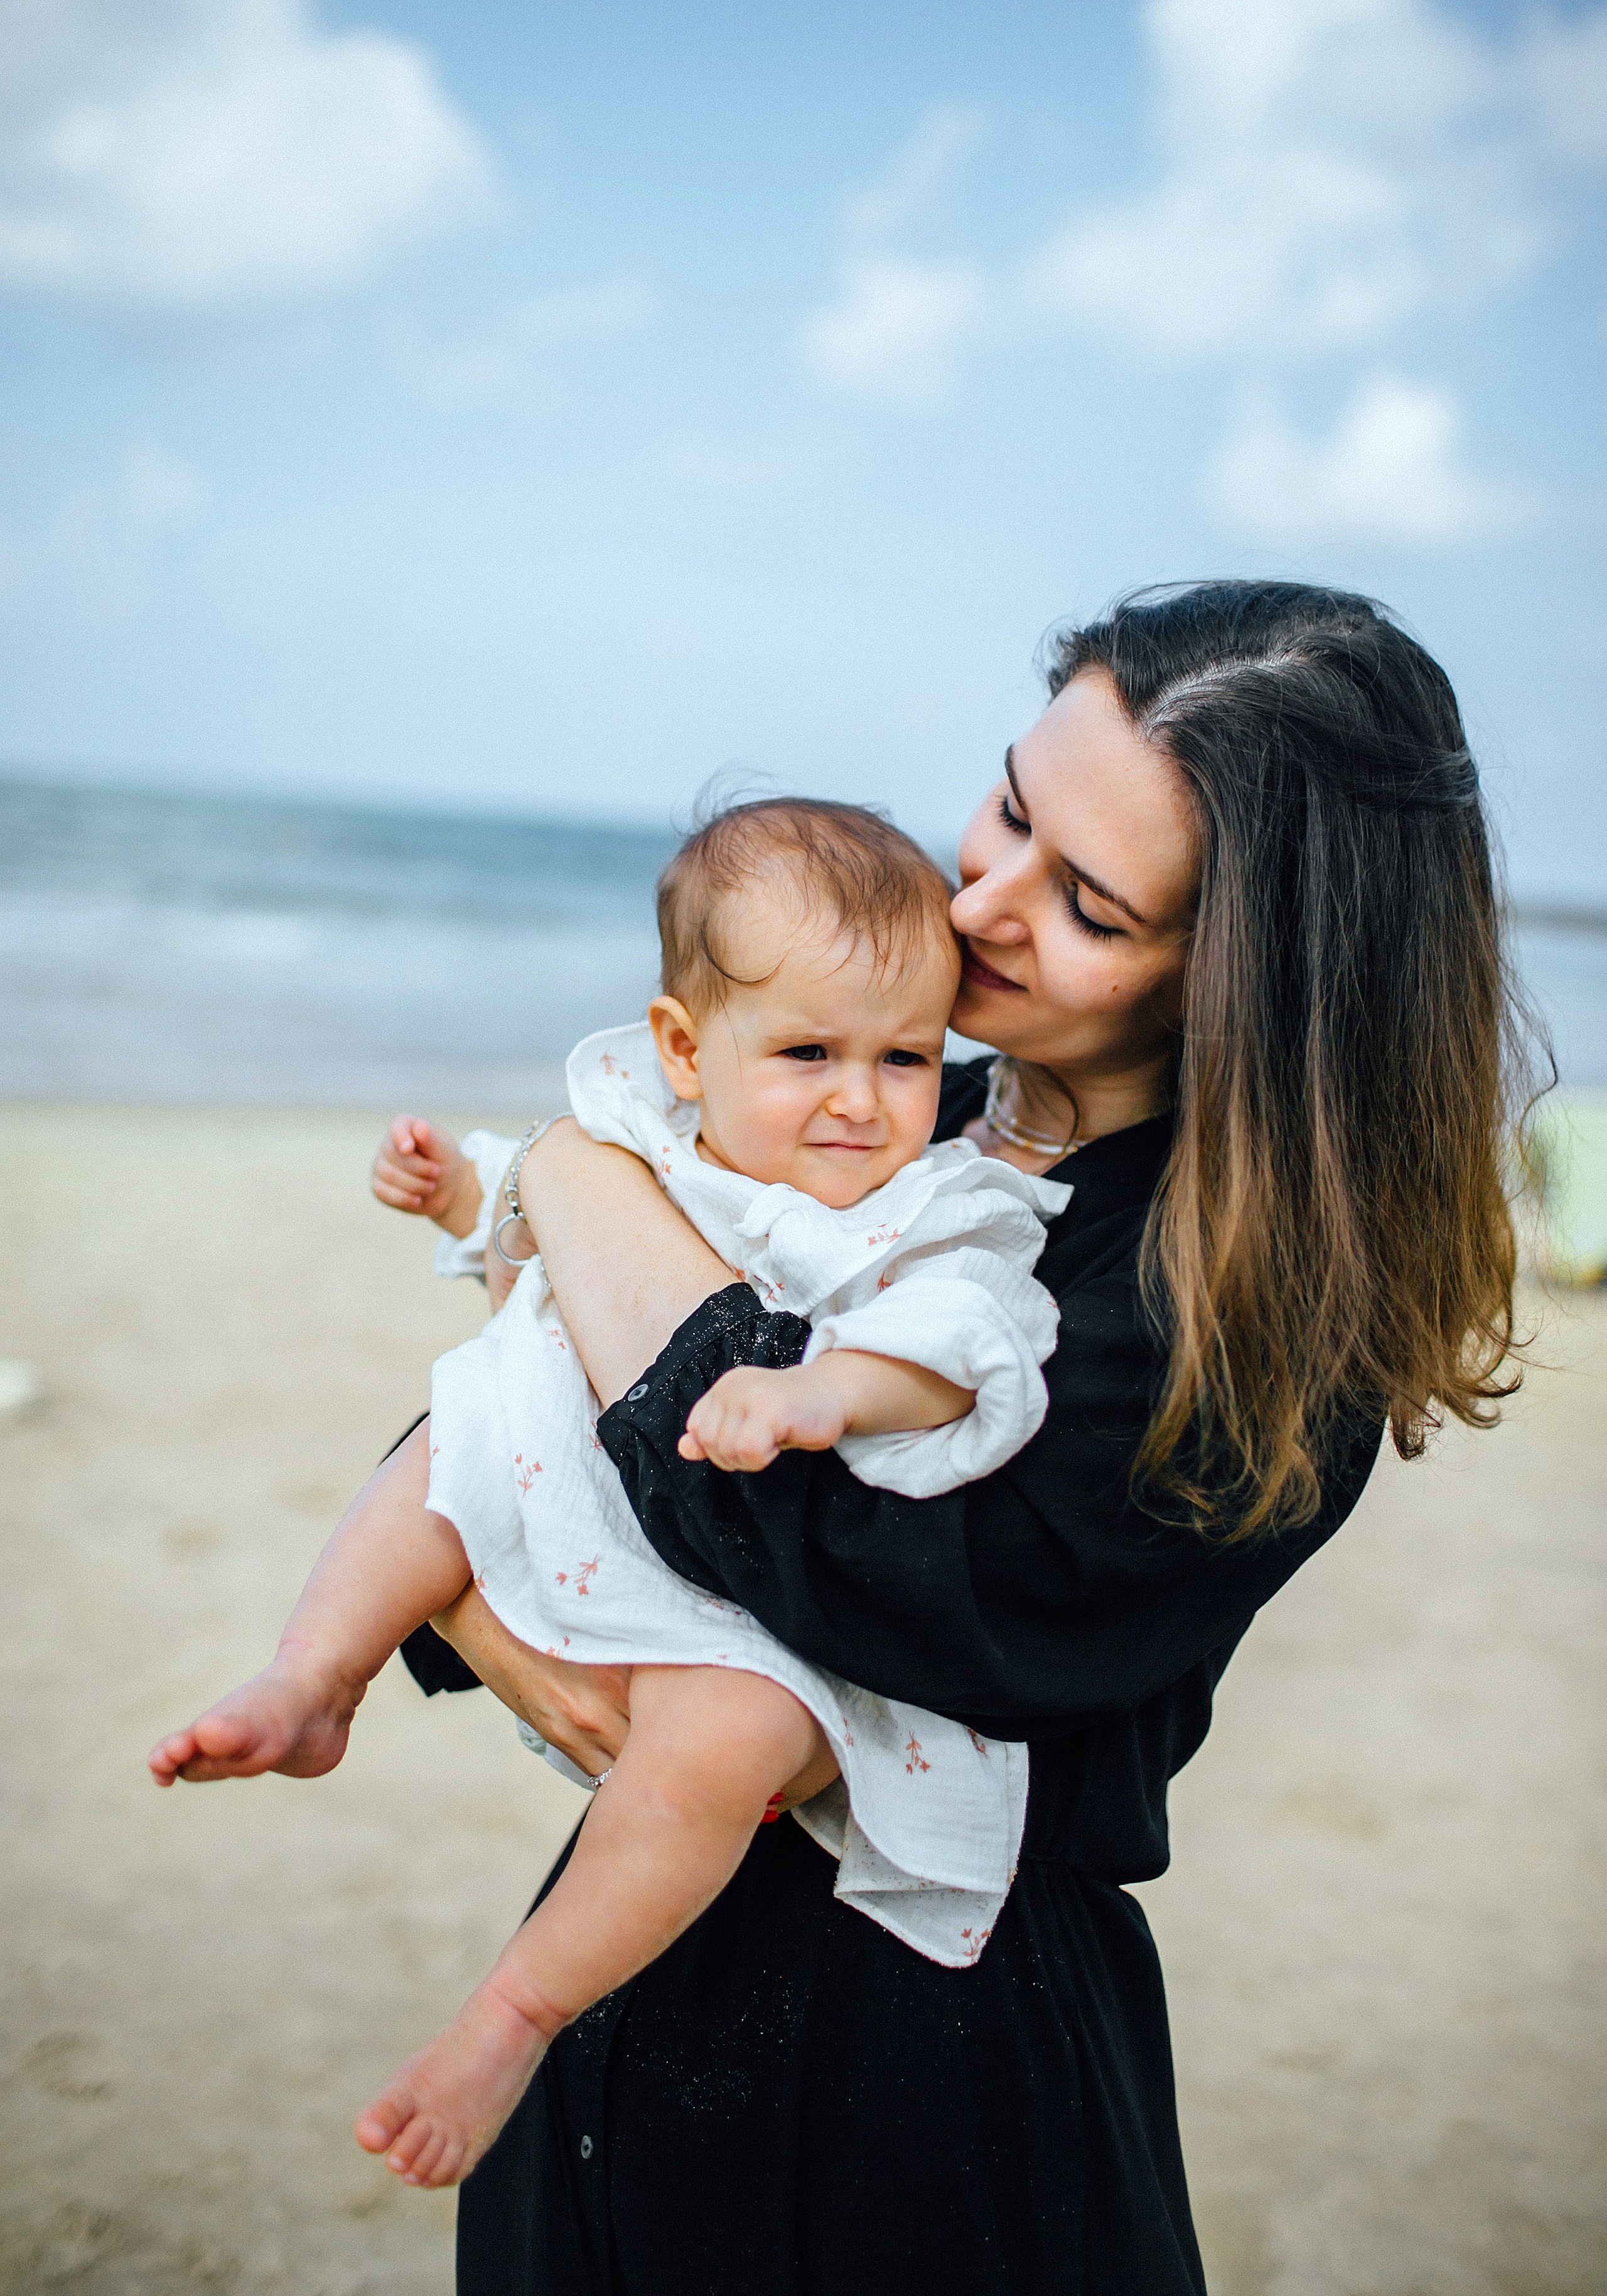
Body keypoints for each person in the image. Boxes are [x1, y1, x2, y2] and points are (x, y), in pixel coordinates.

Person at [393, 581, 1529, 2296]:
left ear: (1243, 983)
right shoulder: (919, 1110)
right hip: (634, 1965)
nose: (978, 898)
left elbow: (838, 1559)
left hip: (926, 2060)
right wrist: (469, 1607)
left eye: (1087, 902)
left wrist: (573, 1169)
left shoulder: (1253, 1327)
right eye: (1008, 805)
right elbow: (524, 1397)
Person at [149, 801, 1073, 2191]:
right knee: (448, 1450)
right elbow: (540, 1255)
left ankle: (512, 2010)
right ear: (687, 1049)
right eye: (809, 1052)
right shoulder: (644, 1134)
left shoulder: (928, 1209)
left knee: (725, 1741)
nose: (860, 1098)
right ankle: (310, 1678)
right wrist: (469, 1198)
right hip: (578, 1491)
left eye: (903, 1058)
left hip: (741, 1605)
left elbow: (961, 1352)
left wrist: (829, 1394)